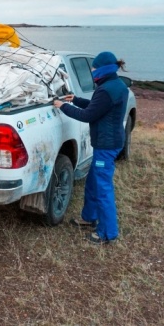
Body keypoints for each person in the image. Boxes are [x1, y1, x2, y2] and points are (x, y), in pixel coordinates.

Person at [53, 51, 129, 244]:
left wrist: (61, 106)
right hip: (109, 142)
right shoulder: (116, 85)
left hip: (106, 144)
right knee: (94, 182)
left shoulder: (106, 89)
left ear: (102, 69)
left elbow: (88, 115)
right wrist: (75, 100)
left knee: (103, 189)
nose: (92, 71)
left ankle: (107, 233)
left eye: (94, 68)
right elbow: (98, 106)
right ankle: (89, 218)